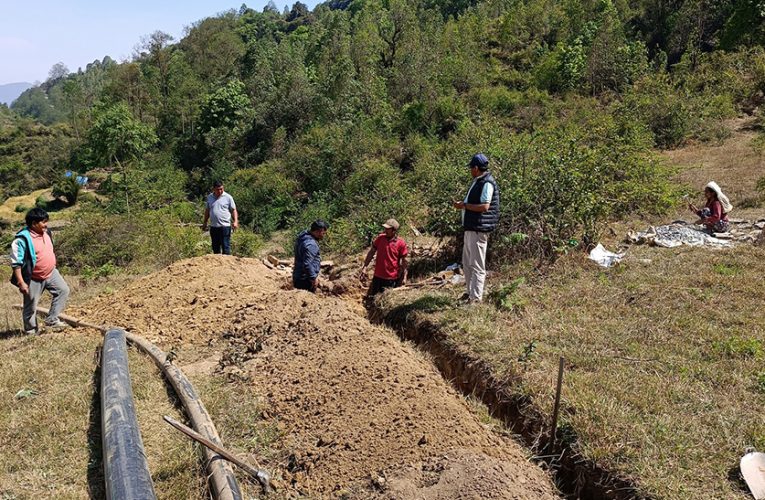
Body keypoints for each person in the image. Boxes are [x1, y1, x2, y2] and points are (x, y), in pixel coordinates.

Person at [10, 208, 70, 335]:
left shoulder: (46, 232)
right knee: (30, 305)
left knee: (63, 290)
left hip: (50, 272)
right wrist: (21, 282)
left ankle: (52, 319)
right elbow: (16, 264)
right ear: (33, 224)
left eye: (46, 221)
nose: (46, 224)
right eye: (43, 222)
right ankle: (31, 330)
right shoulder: (21, 240)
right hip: (33, 277)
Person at [453, 153, 500, 303]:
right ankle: (469, 293)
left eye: (471, 168)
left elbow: (485, 206)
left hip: (479, 229)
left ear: (476, 168)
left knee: (477, 265)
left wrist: (465, 206)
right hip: (471, 227)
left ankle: (476, 298)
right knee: (467, 263)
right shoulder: (478, 181)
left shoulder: (487, 183)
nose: (470, 171)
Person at [359, 219, 409, 296]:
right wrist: (365, 266)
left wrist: (405, 276)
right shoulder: (380, 238)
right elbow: (372, 252)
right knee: (373, 297)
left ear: (394, 230)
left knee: (385, 299)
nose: (385, 230)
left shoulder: (400, 243)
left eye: (388, 229)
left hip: (391, 278)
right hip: (377, 276)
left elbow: (404, 261)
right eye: (385, 228)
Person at [202, 180, 238, 255]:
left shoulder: (228, 197)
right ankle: (218, 265)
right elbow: (207, 211)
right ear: (214, 189)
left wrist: (235, 221)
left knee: (225, 246)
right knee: (215, 247)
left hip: (225, 226)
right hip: (214, 227)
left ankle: (226, 264)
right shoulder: (210, 197)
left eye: (221, 189)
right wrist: (205, 222)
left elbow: (233, 210)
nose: (220, 191)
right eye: (218, 189)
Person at [293, 220, 329, 293]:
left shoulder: (303, 236)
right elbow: (307, 264)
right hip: (305, 280)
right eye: (323, 233)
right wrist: (313, 278)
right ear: (319, 231)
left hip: (297, 276)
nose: (323, 235)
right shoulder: (311, 245)